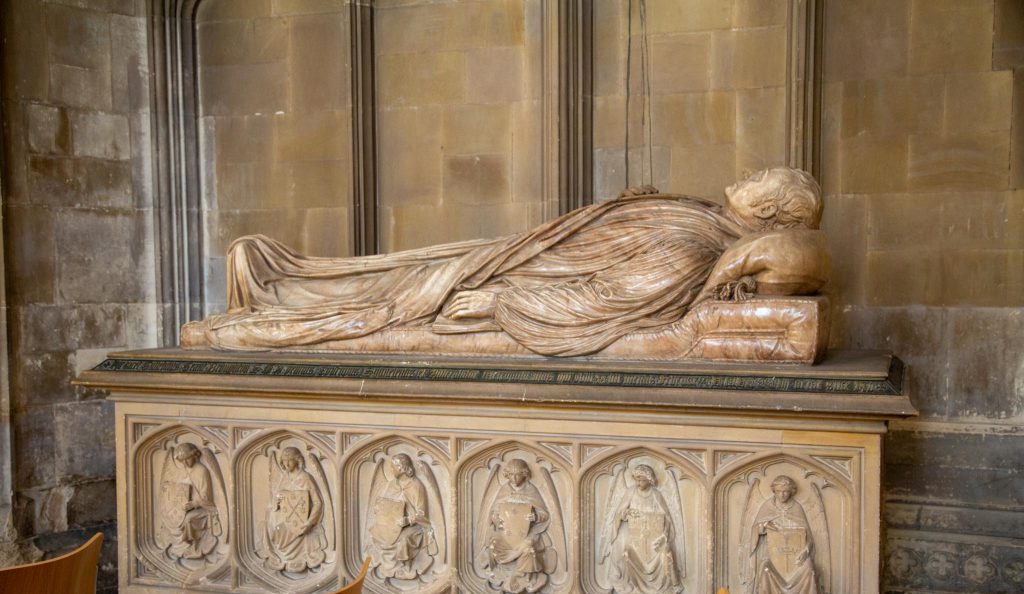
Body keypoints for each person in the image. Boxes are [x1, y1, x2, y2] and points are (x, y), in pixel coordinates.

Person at [181, 167, 826, 355]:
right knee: (396, 269)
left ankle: (276, 293)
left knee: (386, 300)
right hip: (508, 257)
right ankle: (281, 279)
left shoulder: (694, 247)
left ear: (770, 216)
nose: (754, 170)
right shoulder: (696, 212)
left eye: (768, 175)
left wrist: (498, 301)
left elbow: (601, 300)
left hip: (505, 280)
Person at [744, 475, 826, 594]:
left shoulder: (797, 508)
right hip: (773, 555)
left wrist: (806, 550)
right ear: (773, 491)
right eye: (779, 491)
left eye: (786, 492)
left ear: (792, 492)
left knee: (808, 568)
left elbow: (809, 536)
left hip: (796, 555)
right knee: (765, 568)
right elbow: (754, 530)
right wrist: (763, 526)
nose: (782, 495)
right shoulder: (767, 507)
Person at [600, 464, 681, 594]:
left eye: (641, 480)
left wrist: (664, 535)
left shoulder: (656, 494)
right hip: (635, 535)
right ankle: (633, 586)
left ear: (649, 479)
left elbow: (666, 518)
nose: (638, 483)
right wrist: (628, 512)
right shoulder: (631, 492)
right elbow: (619, 513)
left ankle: (662, 588)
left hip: (654, 537)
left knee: (665, 551)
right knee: (625, 551)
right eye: (636, 480)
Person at [479, 459, 553, 594]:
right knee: (493, 543)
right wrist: (497, 519)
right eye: (511, 475)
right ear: (507, 475)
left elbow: (544, 514)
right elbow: (494, 511)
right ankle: (501, 571)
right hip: (506, 531)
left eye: (518, 474)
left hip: (529, 532)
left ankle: (521, 577)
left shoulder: (531, 489)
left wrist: (536, 516)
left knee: (528, 548)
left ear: (525, 474)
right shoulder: (504, 489)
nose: (514, 478)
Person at [365, 454, 438, 580]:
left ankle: (406, 567)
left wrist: (408, 520)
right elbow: (383, 501)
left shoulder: (416, 486)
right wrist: (379, 508)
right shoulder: (391, 484)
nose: (392, 470)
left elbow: (422, 513)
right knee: (376, 532)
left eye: (394, 467)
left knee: (403, 540)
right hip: (391, 523)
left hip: (415, 526)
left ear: (402, 468)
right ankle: (388, 566)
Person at [259, 447, 327, 573]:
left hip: (301, 522)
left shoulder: (305, 477)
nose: (286, 464)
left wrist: (309, 523)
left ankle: (295, 552)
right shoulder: (284, 477)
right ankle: (280, 551)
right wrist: (277, 500)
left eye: (289, 460)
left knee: (282, 527)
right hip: (286, 517)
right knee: (270, 520)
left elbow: (317, 503)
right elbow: (277, 498)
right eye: (284, 461)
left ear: (297, 460)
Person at [158, 443, 222, 560]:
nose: (185, 464)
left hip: (206, 509)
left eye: (187, 459)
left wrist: (195, 504)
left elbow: (206, 498)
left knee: (188, 519)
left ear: (194, 455)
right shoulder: (186, 469)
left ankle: (193, 547)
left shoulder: (201, 471)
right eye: (182, 461)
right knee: (177, 519)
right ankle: (181, 545)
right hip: (190, 506)